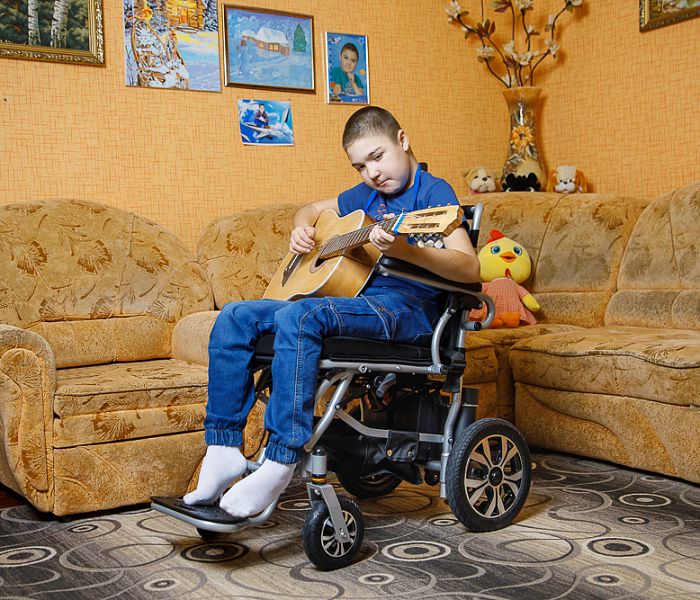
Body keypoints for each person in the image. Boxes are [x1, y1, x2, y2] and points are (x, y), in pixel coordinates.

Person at [184, 106, 480, 519]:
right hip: (357, 304)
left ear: (402, 140)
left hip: (405, 311)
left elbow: (470, 268)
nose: (371, 173)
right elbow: (309, 210)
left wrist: (406, 250)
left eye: (377, 157)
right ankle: (222, 449)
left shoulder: (433, 194)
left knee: (301, 316)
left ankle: (280, 460)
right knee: (234, 316)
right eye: (360, 166)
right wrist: (302, 228)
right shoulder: (365, 196)